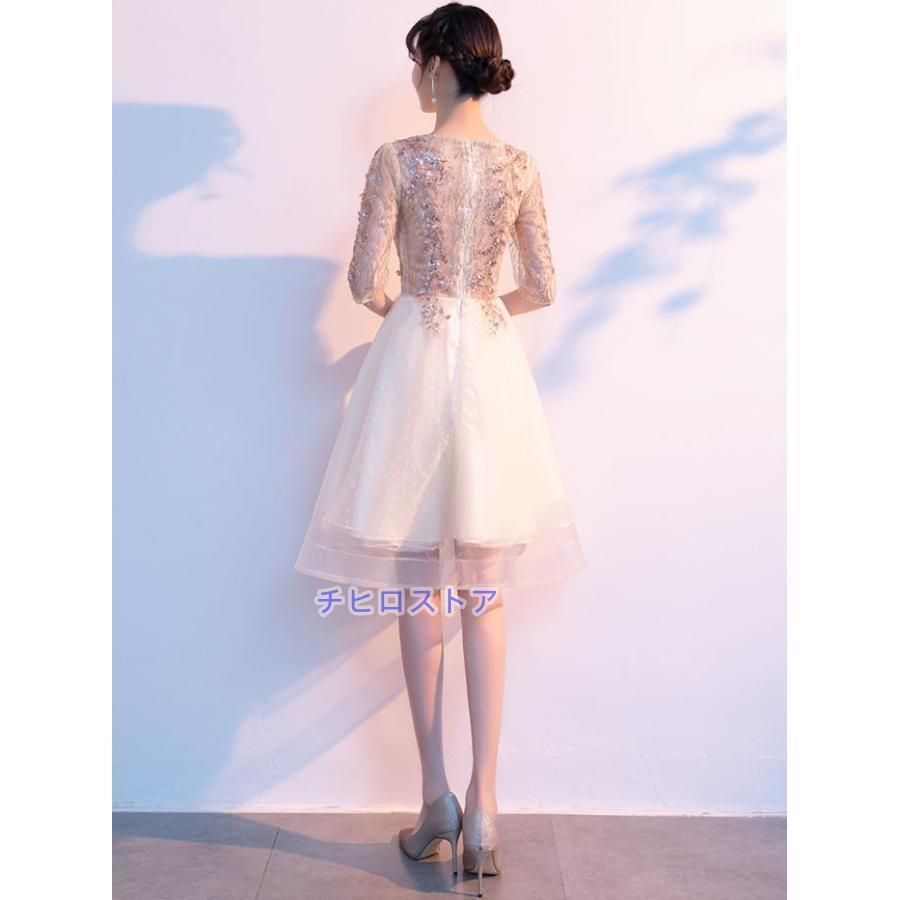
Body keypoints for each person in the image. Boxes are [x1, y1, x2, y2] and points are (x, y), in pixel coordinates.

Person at [294, 3, 587, 895]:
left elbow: (363, 280)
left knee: (420, 585)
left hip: (415, 369)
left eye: (418, 62)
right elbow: (542, 284)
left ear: (435, 67)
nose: (416, 78)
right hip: (490, 372)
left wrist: (408, 314)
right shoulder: (520, 164)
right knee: (483, 592)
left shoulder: (397, 159)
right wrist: (481, 310)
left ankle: (436, 804)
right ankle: (486, 807)